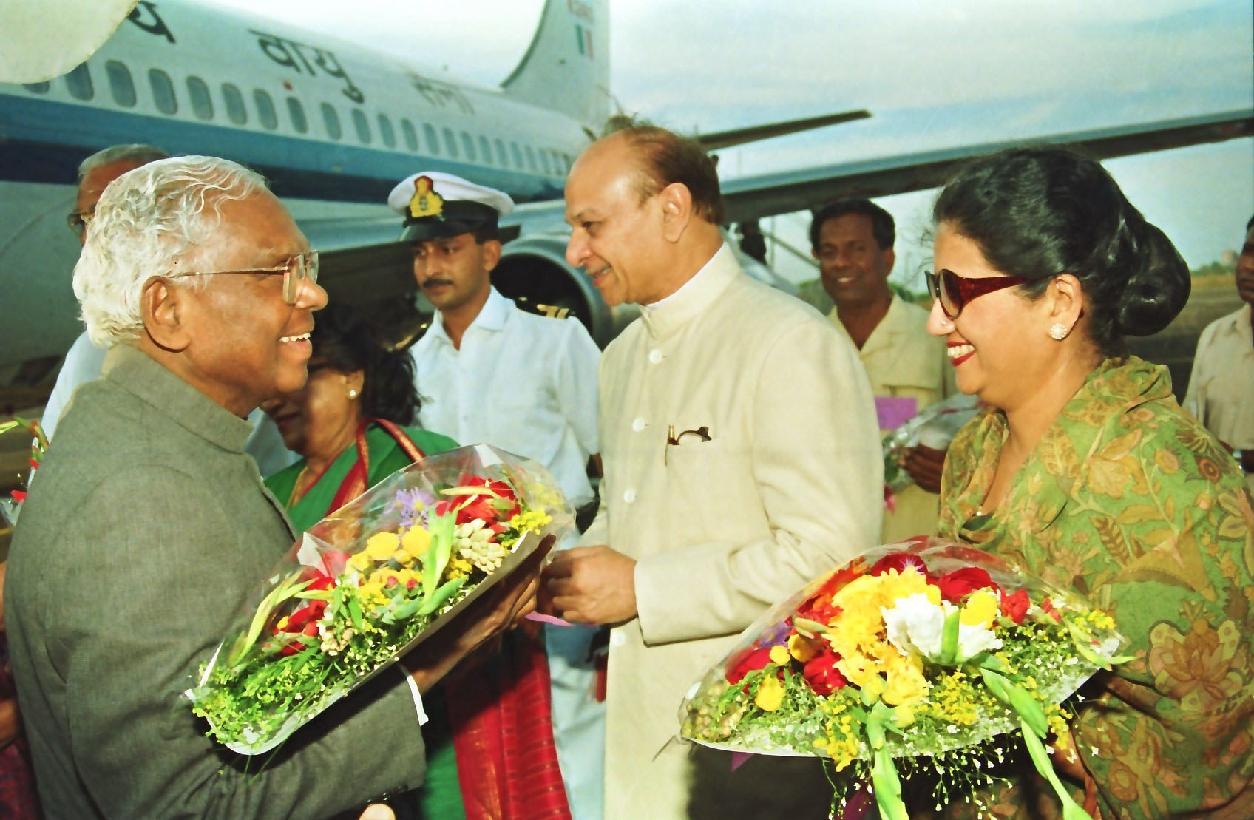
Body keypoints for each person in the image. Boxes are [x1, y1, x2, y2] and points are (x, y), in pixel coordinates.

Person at [4, 156, 544, 818]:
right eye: (277, 272)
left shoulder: (166, 444)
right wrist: (435, 659)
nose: (313, 294)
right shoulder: (139, 494)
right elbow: (191, 804)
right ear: (168, 310)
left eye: (306, 268)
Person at [547, 124, 882, 818]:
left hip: (754, 752)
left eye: (591, 225)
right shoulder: (622, 357)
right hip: (642, 738)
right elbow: (632, 518)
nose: (575, 252)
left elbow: (832, 559)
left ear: (672, 209)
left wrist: (642, 588)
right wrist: (547, 575)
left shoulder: (788, 342)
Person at [922, 147, 1253, 818]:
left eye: (956, 291)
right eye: (935, 289)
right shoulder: (973, 452)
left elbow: (1222, 765)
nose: (935, 320)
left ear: (1059, 302)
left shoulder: (1170, 487)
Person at [262, 303, 572, 820]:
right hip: (312, 745)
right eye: (274, 376)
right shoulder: (272, 488)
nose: (277, 398)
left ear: (353, 378)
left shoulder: (417, 462)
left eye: (304, 373)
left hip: (436, 716)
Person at [390, 171, 604, 818]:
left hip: (551, 583)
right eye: (421, 252)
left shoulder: (552, 338)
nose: (432, 266)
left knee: (570, 745)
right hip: (452, 596)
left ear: (489, 253)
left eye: (448, 248)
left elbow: (615, 460)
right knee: (477, 758)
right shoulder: (409, 362)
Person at [41, 143, 293, 475]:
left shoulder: (241, 337)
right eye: (84, 220)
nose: (91, 238)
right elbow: (48, 470)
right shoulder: (89, 352)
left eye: (114, 213)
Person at [811, 197, 956, 541]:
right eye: (829, 252)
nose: (841, 262)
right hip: (834, 545)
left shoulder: (935, 336)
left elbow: (976, 426)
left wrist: (952, 468)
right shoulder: (806, 344)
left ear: (887, 258)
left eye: (856, 249)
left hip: (918, 544)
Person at [1184, 214, 1254, 493]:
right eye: (1248, 251)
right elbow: (1189, 429)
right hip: (1217, 509)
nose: (1248, 266)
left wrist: (1236, 457)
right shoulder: (1215, 336)